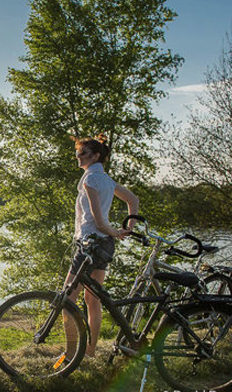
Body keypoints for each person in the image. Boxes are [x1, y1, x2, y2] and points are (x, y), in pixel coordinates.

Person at [64, 134, 139, 357]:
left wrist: (118, 231)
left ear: (96, 156)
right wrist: (129, 226)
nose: (78, 157)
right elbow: (133, 200)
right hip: (105, 245)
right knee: (92, 299)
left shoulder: (90, 180)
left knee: (67, 299)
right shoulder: (107, 180)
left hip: (89, 244)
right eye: (77, 153)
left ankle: (70, 355)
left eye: (82, 153)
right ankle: (90, 351)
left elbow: (97, 221)